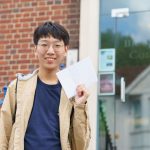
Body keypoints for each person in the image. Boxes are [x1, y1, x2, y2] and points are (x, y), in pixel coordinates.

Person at [0, 21, 91, 150]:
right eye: (44, 44)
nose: (50, 51)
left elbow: (81, 145)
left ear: (65, 50)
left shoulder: (73, 91)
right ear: (35, 49)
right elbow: (3, 133)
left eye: (57, 45)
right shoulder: (17, 87)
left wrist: (80, 105)